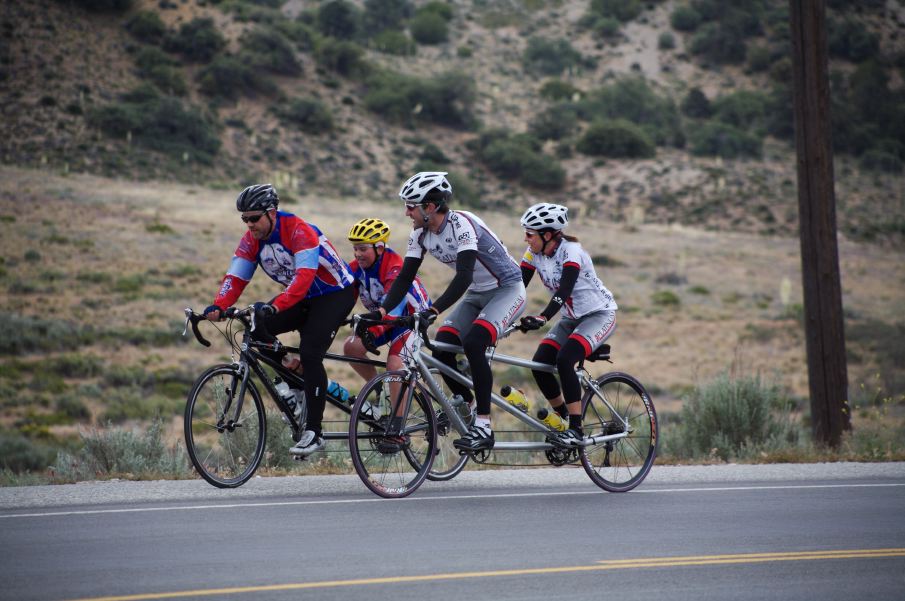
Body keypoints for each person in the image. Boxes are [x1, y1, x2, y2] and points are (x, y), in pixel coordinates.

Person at [360, 172, 526, 452]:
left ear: (431, 207)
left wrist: (433, 310)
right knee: (443, 350)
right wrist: (382, 311)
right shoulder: (419, 233)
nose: (406, 212)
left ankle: (484, 426)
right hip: (476, 293)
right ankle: (469, 407)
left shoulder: (462, 224)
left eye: (411, 205)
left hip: (506, 289)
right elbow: (405, 278)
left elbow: (462, 276)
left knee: (474, 342)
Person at [203, 184, 357, 457]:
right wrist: (218, 305)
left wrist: (275, 306)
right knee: (256, 326)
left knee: (311, 354)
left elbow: (303, 280)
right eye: (244, 219)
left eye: (254, 218)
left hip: (335, 293)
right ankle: (292, 376)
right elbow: (236, 278)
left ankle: (314, 432)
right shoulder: (252, 240)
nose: (249, 224)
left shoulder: (299, 231)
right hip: (302, 296)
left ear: (271, 212)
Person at [518, 203, 617, 447]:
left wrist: (543, 316)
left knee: (564, 360)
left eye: (530, 234)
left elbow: (565, 288)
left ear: (547, 234)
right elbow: (517, 286)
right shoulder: (533, 253)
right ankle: (562, 417)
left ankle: (576, 428)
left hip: (599, 315)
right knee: (540, 364)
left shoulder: (571, 250)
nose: (526, 239)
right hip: (570, 319)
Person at [343, 217, 432, 384]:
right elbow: (344, 300)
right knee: (351, 347)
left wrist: (373, 331)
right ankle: (378, 392)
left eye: (362, 249)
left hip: (411, 318)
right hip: (386, 319)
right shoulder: (356, 268)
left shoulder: (394, 267)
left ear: (380, 248)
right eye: (355, 249)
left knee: (394, 365)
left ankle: (397, 411)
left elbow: (394, 307)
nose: (357, 254)